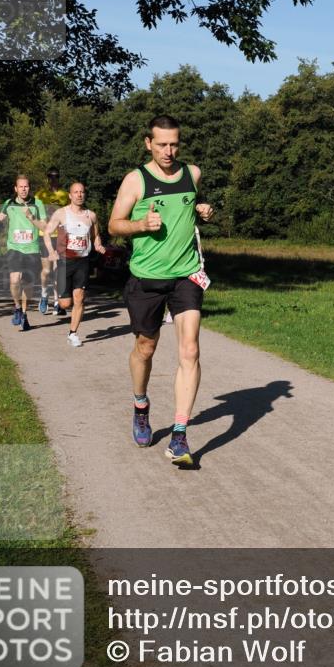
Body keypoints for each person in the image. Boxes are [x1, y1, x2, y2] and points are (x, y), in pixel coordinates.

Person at [108, 115, 214, 465]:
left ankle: (180, 436)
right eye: (162, 144)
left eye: (174, 144)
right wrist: (140, 224)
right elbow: (114, 224)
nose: (169, 151)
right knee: (146, 347)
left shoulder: (192, 174)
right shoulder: (136, 180)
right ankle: (141, 404)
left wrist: (201, 210)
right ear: (148, 143)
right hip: (146, 277)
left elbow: (187, 211)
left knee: (190, 351)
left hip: (185, 275)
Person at [43, 181, 105, 347]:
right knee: (65, 303)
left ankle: (73, 333)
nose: (79, 195)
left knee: (79, 298)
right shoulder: (61, 213)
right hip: (65, 261)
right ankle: (57, 292)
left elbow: (95, 235)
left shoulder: (91, 215)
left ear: (84, 195)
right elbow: (47, 233)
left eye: (82, 192)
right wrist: (51, 251)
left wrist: (98, 245)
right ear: (70, 195)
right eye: (76, 192)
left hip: (82, 262)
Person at [0, 176, 47, 331]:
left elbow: (45, 226)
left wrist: (31, 217)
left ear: (29, 188)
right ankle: (17, 307)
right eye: (21, 187)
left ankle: (24, 314)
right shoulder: (8, 203)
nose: (24, 189)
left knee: (28, 286)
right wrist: (0, 217)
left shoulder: (37, 204)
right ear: (15, 188)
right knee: (14, 279)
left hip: (32, 249)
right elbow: (0, 218)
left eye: (26, 187)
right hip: (14, 248)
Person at [36, 168, 70, 315]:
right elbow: (35, 215)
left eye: (56, 176)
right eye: (50, 176)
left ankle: (57, 302)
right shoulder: (40, 195)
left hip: (60, 236)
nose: (53, 179)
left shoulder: (64, 195)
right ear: (47, 178)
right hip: (45, 235)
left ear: (59, 178)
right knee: (47, 270)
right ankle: (44, 296)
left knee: (58, 271)